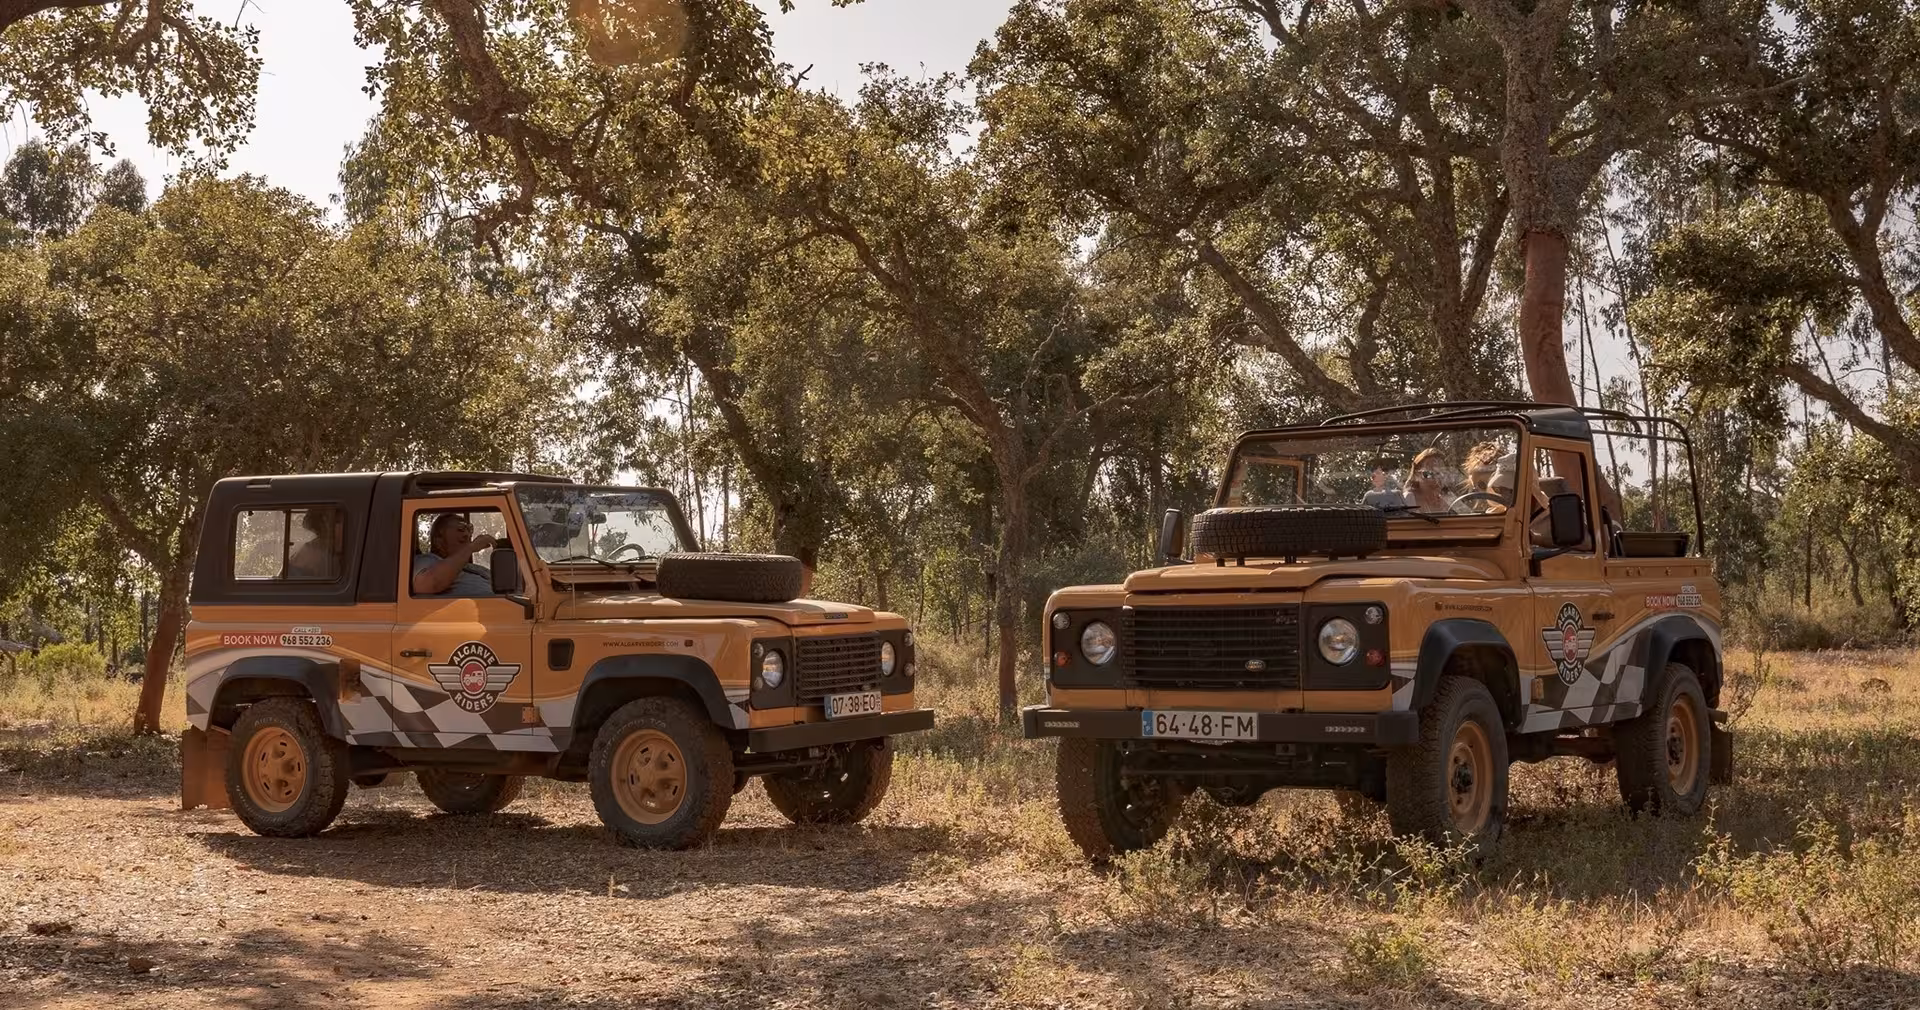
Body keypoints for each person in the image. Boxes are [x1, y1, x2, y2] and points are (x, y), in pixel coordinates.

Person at [412, 513, 498, 596]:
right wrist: (470, 548)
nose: (467, 535)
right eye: (460, 529)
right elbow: (427, 584)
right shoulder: (426, 560)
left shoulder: (474, 568)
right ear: (438, 541)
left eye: (469, 529)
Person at [285, 509, 341, 579]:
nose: (339, 527)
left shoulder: (324, 550)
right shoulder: (312, 549)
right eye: (337, 522)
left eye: (338, 522)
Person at [1402, 447, 1453, 513]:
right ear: (1417, 474)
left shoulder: (1446, 501)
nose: (1436, 478)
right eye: (1429, 473)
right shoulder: (1409, 498)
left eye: (1439, 473)